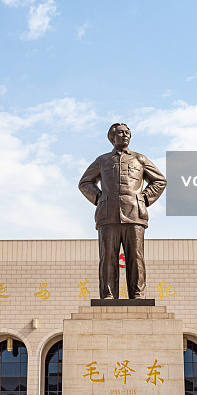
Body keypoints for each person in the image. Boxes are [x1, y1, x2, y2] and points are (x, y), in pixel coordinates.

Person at [78, 122, 166, 299]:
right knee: (108, 258)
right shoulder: (102, 161)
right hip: (108, 215)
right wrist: (99, 198)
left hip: (134, 214)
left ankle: (138, 294)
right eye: (120, 133)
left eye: (127, 132)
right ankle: (108, 295)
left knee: (136, 257)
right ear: (112, 137)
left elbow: (159, 181)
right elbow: (85, 183)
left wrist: (144, 198)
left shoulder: (139, 159)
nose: (125, 135)